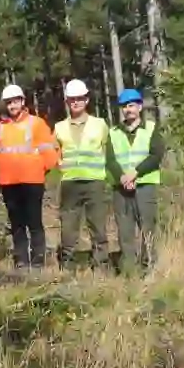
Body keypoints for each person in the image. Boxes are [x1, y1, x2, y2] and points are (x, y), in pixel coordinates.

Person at [0, 83, 59, 270]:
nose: (12, 106)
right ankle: (21, 259)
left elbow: (50, 152)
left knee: (34, 221)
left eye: (15, 102)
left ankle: (38, 259)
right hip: (8, 182)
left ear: (22, 101)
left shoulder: (36, 123)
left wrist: (40, 170)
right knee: (16, 223)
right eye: (9, 103)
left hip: (32, 182)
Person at [54, 78, 111, 270]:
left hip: (94, 181)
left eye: (80, 98)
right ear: (67, 102)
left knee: (98, 226)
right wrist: (58, 164)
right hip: (70, 182)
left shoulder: (100, 124)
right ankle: (67, 266)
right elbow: (53, 152)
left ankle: (101, 265)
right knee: (68, 228)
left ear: (87, 100)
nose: (76, 102)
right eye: (72, 99)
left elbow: (107, 150)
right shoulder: (59, 127)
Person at [107, 88, 163, 274]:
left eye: (131, 105)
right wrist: (122, 177)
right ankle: (129, 270)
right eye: (124, 106)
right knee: (124, 230)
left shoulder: (151, 128)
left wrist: (134, 173)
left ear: (139, 107)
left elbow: (156, 155)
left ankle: (149, 268)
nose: (127, 109)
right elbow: (110, 159)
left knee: (147, 227)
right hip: (121, 188)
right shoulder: (113, 132)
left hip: (145, 186)